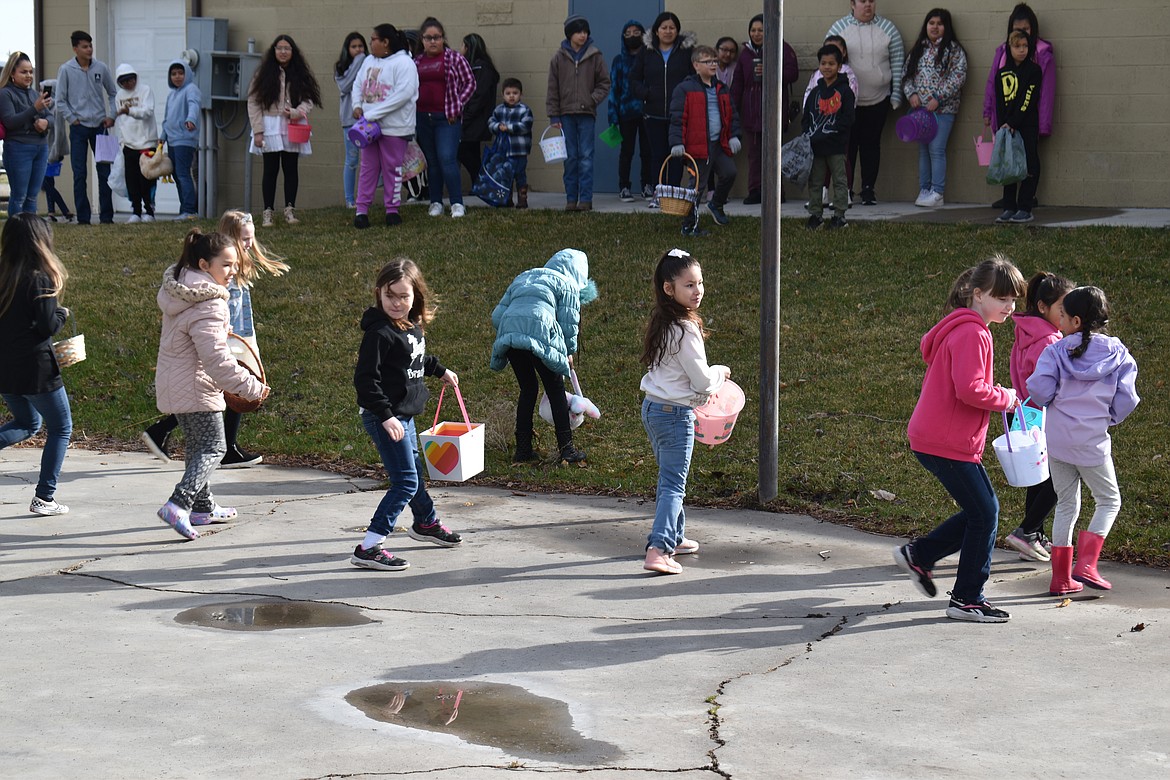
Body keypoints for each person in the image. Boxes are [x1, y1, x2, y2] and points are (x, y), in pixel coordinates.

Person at [894, 255, 1026, 623]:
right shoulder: (973, 333)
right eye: (1002, 298)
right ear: (978, 294)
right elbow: (970, 390)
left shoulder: (961, 327)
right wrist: (1007, 397)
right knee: (985, 514)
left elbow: (968, 386)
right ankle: (967, 598)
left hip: (937, 437)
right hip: (946, 440)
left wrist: (996, 392)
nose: (1009, 306)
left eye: (1013, 300)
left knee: (980, 512)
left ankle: (920, 556)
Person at [142, 211, 287, 468]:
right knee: (211, 442)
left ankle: (202, 488)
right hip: (228, 341)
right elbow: (214, 352)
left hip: (234, 340)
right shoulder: (212, 290)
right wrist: (253, 387)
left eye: (251, 239)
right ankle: (183, 498)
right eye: (244, 239)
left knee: (203, 437)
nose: (248, 245)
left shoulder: (218, 275)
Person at [154, 230, 269, 540]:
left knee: (196, 447)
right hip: (195, 387)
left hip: (174, 383)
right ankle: (178, 505)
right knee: (214, 447)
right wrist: (250, 386)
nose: (233, 272)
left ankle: (203, 508)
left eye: (235, 265)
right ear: (205, 265)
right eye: (227, 265)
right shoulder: (210, 303)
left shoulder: (181, 289)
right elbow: (217, 360)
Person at [351, 258, 463, 571]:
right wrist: (386, 416)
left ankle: (426, 523)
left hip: (404, 415)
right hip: (384, 416)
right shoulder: (379, 333)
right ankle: (370, 545)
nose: (397, 303)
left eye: (404, 296)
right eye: (390, 296)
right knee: (405, 482)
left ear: (416, 296)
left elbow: (415, 358)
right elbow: (365, 381)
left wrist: (441, 370)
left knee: (412, 472)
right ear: (378, 294)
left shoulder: (410, 327)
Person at [1028, 286, 1140, 596]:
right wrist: (1109, 418)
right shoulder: (1119, 355)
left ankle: (1061, 578)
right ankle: (1087, 564)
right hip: (1092, 442)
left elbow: (1039, 392)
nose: (1058, 321)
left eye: (1061, 316)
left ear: (1075, 321)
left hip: (1058, 442)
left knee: (1066, 504)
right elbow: (1127, 399)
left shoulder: (1055, 351)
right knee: (1108, 500)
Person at [639, 248, 730, 574]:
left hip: (652, 409)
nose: (697, 290)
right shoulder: (686, 329)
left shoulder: (663, 322)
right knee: (674, 484)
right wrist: (721, 371)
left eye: (700, 283)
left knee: (668, 478)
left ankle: (674, 537)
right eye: (689, 285)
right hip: (675, 415)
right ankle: (659, 549)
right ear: (669, 288)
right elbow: (704, 382)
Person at [490, 248, 597, 465]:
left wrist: (514, 329)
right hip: (541, 335)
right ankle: (567, 451)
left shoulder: (524, 277)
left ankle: (522, 451)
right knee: (555, 390)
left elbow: (497, 315)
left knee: (528, 389)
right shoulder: (566, 285)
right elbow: (569, 323)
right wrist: (568, 351)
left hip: (510, 337)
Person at [0, 214, 73, 516]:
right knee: (61, 427)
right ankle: (45, 497)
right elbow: (46, 327)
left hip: (5, 367)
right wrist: (62, 315)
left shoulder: (3, 274)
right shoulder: (40, 277)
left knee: (28, 423)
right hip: (36, 369)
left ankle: (45, 496)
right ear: (40, 241)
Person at [1005, 271, 1074, 562]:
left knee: (1039, 479)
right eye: (1063, 309)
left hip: (1023, 415)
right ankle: (1028, 531)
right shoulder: (1049, 342)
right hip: (1043, 418)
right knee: (1061, 479)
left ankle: (1034, 537)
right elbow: (1051, 385)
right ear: (1044, 307)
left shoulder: (1026, 332)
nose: (1068, 315)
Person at [827, 0, 904, 206]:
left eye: (871, 1)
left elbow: (897, 61)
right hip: (847, 103)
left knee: (871, 145)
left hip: (879, 99)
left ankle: (868, 189)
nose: (868, 5)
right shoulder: (839, 28)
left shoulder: (888, 29)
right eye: (862, 1)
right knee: (848, 147)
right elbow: (828, 62)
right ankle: (847, 190)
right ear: (852, 4)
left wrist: (896, 95)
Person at [983, 3, 1054, 210]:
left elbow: (1044, 93)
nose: (1022, 35)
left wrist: (1043, 124)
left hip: (1029, 120)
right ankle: (1009, 202)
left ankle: (1027, 198)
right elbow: (992, 86)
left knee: (1030, 159)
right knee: (1009, 157)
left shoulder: (1042, 55)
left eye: (1026, 29)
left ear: (1034, 30)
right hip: (1006, 120)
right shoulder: (1003, 54)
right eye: (1017, 29)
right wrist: (988, 112)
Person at [247, 34, 322, 227]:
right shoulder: (263, 74)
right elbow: (253, 102)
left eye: (287, 48)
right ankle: (268, 212)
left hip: (292, 125)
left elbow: (308, 100)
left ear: (292, 51)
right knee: (270, 169)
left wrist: (297, 112)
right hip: (269, 125)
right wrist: (258, 131)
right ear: (274, 51)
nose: (283, 52)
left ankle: (290, 210)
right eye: (279, 48)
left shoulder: (300, 73)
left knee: (290, 168)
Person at [668, 45, 742, 237]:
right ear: (696, 65)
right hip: (697, 147)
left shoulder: (721, 88)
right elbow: (678, 118)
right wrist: (677, 142)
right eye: (707, 61)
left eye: (715, 61)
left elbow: (731, 115)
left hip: (718, 145)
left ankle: (716, 204)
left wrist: (734, 135)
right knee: (696, 186)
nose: (713, 65)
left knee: (729, 172)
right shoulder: (685, 89)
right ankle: (689, 225)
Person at [351, 24, 419, 230]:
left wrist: (372, 114)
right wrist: (357, 105)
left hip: (394, 127)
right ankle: (361, 210)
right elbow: (357, 84)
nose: (369, 43)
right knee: (368, 168)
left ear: (385, 42)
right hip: (369, 128)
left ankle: (392, 210)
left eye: (373, 39)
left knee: (392, 168)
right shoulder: (369, 61)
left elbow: (403, 94)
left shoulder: (404, 63)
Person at [902, 9, 967, 209]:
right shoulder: (918, 49)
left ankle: (937, 193)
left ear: (946, 27)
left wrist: (938, 98)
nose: (935, 27)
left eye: (940, 23)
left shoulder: (953, 50)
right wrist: (911, 94)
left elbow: (958, 76)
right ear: (926, 25)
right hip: (921, 112)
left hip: (943, 110)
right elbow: (907, 75)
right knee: (923, 150)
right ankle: (925, 189)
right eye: (931, 23)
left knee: (936, 149)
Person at [546, 15, 611, 212]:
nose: (582, 35)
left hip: (586, 115)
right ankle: (571, 199)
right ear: (570, 34)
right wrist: (554, 115)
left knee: (586, 157)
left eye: (585, 32)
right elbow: (552, 88)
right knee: (571, 157)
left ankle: (585, 199)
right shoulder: (558, 57)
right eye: (578, 32)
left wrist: (591, 99)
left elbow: (604, 83)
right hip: (565, 115)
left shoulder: (595, 56)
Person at [414, 17, 475, 219]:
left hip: (447, 119)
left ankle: (457, 203)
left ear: (443, 38)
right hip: (423, 118)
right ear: (422, 40)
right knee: (432, 161)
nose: (433, 41)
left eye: (437, 37)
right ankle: (436, 202)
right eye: (428, 38)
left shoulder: (454, 59)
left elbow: (470, 83)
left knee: (447, 159)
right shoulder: (416, 62)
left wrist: (457, 106)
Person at [631, 11, 694, 205]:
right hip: (653, 114)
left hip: (679, 114)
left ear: (677, 30)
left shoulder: (686, 51)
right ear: (657, 31)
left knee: (676, 156)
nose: (668, 31)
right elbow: (633, 79)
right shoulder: (646, 51)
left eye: (672, 28)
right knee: (657, 155)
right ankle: (658, 195)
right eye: (664, 28)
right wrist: (646, 94)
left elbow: (694, 77)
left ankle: (672, 194)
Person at [55, 31, 116, 225]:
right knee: (79, 173)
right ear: (75, 49)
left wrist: (111, 115)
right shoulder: (66, 69)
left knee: (105, 172)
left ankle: (107, 217)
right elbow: (60, 101)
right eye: (84, 46)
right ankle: (84, 218)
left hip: (101, 127)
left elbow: (113, 93)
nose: (89, 49)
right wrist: (73, 119)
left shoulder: (101, 67)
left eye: (90, 46)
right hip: (79, 128)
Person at [992, 30, 1042, 225]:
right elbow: (1000, 102)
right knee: (1009, 166)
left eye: (1025, 46)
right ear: (1009, 48)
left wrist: (1014, 122)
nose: (1022, 50)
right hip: (1006, 127)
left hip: (1027, 126)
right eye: (1017, 46)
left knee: (1030, 164)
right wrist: (1004, 124)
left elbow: (1027, 100)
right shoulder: (1001, 73)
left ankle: (1024, 207)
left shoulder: (1034, 71)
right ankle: (1009, 207)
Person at [802, 45, 855, 231]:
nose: (827, 67)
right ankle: (816, 215)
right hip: (816, 147)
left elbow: (848, 119)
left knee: (840, 180)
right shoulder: (815, 93)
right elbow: (806, 118)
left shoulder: (845, 92)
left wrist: (833, 132)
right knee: (816, 181)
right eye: (823, 63)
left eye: (831, 63)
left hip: (836, 146)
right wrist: (809, 135)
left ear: (839, 66)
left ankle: (839, 216)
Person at [1, 52, 51, 217]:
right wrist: (34, 109)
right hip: (18, 148)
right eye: (24, 72)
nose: (29, 75)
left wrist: (46, 123)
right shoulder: (5, 94)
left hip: (40, 147)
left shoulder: (35, 94)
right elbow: (10, 121)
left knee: (32, 197)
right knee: (19, 196)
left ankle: (30, 234)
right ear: (12, 73)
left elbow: (51, 116)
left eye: (30, 71)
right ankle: (15, 234)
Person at [608, 19, 651, 203]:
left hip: (648, 112)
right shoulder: (618, 61)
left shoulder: (650, 58)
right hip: (625, 113)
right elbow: (614, 90)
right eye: (628, 33)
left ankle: (648, 185)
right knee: (626, 152)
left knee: (648, 151)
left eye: (636, 32)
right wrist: (613, 117)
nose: (632, 36)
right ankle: (624, 187)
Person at [113, 64, 157, 223]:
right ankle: (136, 211)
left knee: (147, 179)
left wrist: (129, 111)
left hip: (147, 142)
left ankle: (149, 211)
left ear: (135, 77)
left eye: (130, 79)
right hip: (129, 144)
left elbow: (148, 112)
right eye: (124, 81)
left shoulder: (145, 90)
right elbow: (122, 122)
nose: (128, 83)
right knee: (131, 180)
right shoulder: (119, 96)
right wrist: (122, 141)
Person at [159, 60, 201, 221]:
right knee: (177, 175)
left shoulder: (191, 89)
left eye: (181, 73)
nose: (177, 77)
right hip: (172, 140)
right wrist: (163, 137)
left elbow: (194, 105)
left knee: (183, 174)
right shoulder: (172, 95)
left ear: (187, 74)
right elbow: (167, 118)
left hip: (185, 138)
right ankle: (184, 209)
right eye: (174, 74)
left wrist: (191, 119)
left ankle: (190, 210)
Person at [456, 33, 500, 184]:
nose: (460, 49)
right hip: (472, 119)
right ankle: (480, 183)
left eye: (462, 45)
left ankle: (481, 182)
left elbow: (479, 97)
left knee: (464, 152)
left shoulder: (481, 69)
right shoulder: (474, 67)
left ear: (468, 47)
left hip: (475, 120)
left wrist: (466, 115)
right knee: (472, 153)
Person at [488, 77, 534, 209]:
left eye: (515, 93)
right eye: (508, 93)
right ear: (503, 94)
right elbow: (491, 123)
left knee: (520, 174)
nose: (511, 96)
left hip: (519, 151)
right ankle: (506, 198)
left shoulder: (524, 110)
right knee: (505, 174)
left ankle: (522, 199)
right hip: (504, 150)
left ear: (521, 94)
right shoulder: (498, 110)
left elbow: (526, 125)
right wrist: (497, 127)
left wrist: (508, 127)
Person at [334, 32, 367, 209]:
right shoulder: (341, 68)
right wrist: (359, 61)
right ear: (347, 49)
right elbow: (345, 86)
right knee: (352, 159)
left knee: (370, 159)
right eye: (354, 47)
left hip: (368, 119)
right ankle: (349, 199)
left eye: (361, 47)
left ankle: (365, 196)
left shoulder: (370, 64)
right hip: (349, 119)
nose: (358, 50)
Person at [37, 77, 74, 222]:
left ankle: (65, 211)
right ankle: (51, 212)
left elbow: (58, 132)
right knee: (48, 182)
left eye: (43, 90)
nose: (40, 93)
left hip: (52, 150)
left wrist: (53, 153)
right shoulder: (43, 107)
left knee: (45, 182)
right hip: (46, 149)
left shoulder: (55, 108)